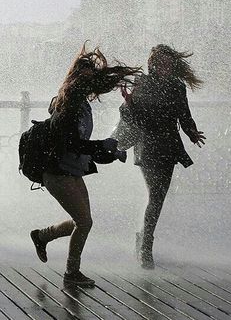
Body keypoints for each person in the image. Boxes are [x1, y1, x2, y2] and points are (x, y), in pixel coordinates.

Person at [30, 44, 141, 286]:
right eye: (86, 79)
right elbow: (72, 145)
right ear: (76, 79)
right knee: (84, 222)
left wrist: (112, 152)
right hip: (57, 172)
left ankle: (42, 236)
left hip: (71, 170)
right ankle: (71, 274)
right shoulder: (67, 106)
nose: (90, 85)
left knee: (82, 220)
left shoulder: (80, 104)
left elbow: (83, 147)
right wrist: (104, 145)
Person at [113, 44, 206, 269]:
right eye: (159, 63)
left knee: (159, 196)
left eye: (168, 63)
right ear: (152, 64)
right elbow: (131, 115)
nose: (164, 66)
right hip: (147, 145)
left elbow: (184, 114)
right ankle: (146, 246)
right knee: (155, 195)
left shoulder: (177, 86)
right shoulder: (142, 82)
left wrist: (192, 132)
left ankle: (143, 237)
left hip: (168, 145)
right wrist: (128, 102)